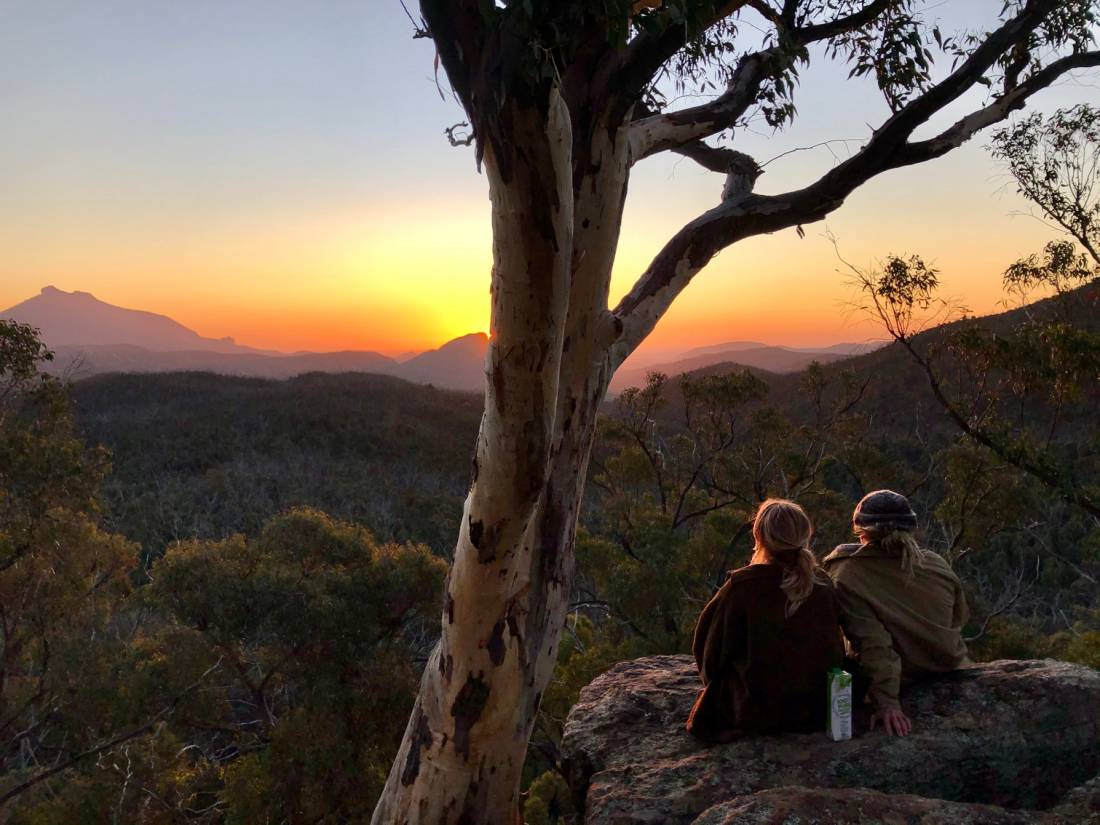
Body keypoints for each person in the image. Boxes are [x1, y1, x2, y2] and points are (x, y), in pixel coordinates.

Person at [687, 498, 844, 743]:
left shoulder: (743, 586)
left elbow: (709, 652)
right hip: (816, 710)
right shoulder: (822, 584)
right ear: (806, 535)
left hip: (755, 711)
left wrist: (717, 687)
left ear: (758, 536)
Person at [823, 489, 970, 738]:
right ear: (911, 527)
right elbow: (960, 617)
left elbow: (872, 643)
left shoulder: (847, 573)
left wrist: (887, 702)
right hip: (949, 664)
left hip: (904, 677)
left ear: (860, 530)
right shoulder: (936, 563)